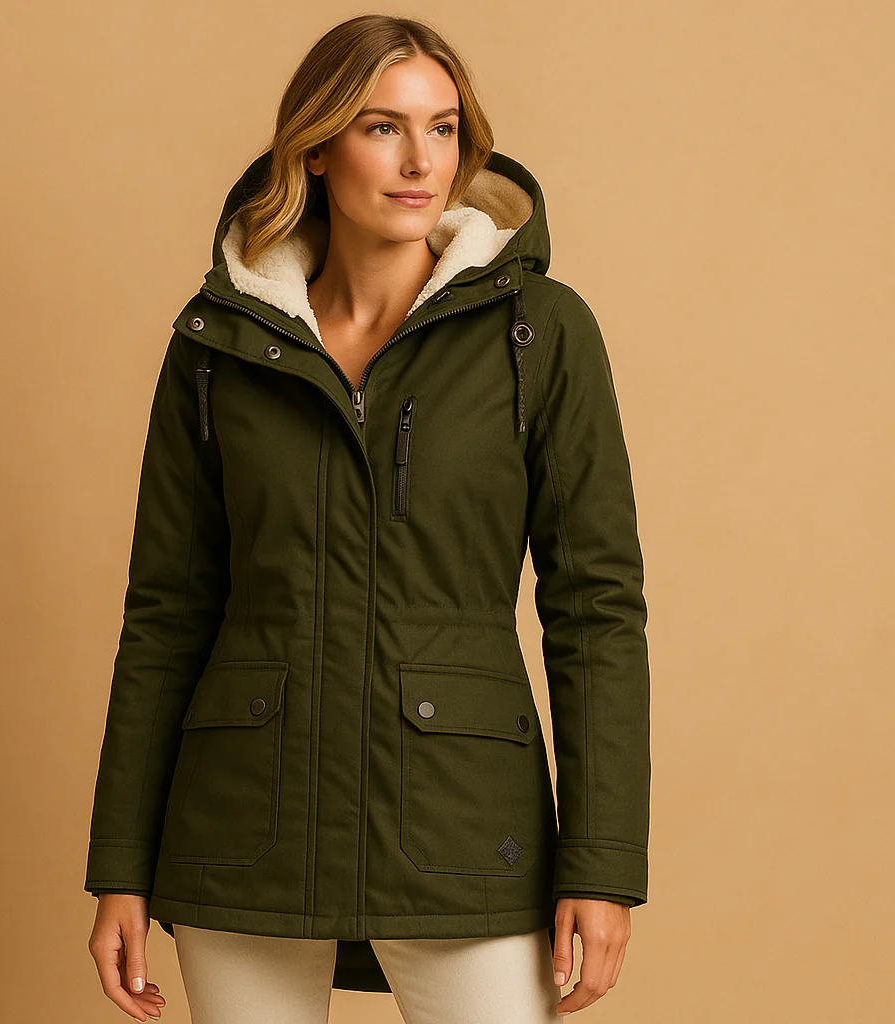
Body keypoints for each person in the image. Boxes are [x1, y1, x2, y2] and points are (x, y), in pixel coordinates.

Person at [84, 13, 651, 1024]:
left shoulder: (540, 333)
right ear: (315, 147)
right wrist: (120, 863)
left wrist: (602, 864)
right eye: (382, 127)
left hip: (465, 828)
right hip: (242, 825)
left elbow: (595, 608)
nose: (420, 161)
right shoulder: (220, 343)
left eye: (443, 129)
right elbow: (166, 611)